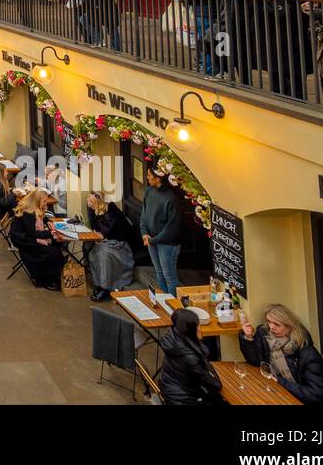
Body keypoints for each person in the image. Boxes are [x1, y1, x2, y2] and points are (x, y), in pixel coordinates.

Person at [239, 303, 323, 405]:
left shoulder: (308, 354)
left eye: (277, 324)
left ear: (289, 326)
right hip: (284, 393)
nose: (271, 327)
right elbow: (255, 360)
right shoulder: (267, 336)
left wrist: (279, 381)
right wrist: (248, 338)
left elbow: (315, 394)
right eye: (269, 322)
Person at [160, 308, 224, 405]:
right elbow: (215, 385)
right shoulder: (190, 357)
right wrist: (211, 374)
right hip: (185, 400)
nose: (200, 328)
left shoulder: (173, 338)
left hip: (169, 391)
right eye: (197, 326)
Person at [84, 192, 138, 301]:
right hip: (105, 240)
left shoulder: (111, 211)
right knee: (89, 247)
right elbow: (95, 227)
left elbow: (107, 231)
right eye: (88, 201)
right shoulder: (94, 209)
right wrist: (90, 210)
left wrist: (103, 236)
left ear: (97, 202)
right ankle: (98, 283)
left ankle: (105, 288)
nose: (88, 204)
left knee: (104, 255)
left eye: (90, 202)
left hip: (118, 242)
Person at [9, 190, 65, 289]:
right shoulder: (28, 214)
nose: (46, 203)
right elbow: (34, 233)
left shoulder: (33, 209)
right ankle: (45, 279)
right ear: (37, 201)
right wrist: (51, 233)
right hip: (24, 241)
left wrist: (48, 222)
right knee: (52, 252)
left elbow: (42, 218)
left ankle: (52, 275)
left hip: (27, 237)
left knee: (56, 245)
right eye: (44, 201)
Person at [208, 0, 252, 82]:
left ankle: (246, 83)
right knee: (223, 52)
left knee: (241, 56)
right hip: (224, 25)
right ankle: (228, 77)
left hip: (240, 24)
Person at [140, 165, 182, 296]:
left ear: (158, 178)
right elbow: (144, 214)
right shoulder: (149, 191)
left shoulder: (171, 199)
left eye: (149, 175)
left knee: (170, 278)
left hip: (167, 244)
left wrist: (152, 240)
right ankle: (164, 304)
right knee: (159, 273)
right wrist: (144, 233)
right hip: (151, 240)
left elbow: (172, 228)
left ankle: (174, 310)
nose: (147, 178)